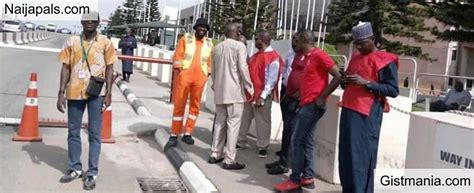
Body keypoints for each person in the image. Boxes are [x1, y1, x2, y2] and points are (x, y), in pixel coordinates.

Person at [274, 30, 342, 191]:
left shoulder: (319, 55)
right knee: (308, 142)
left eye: (297, 40)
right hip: (305, 102)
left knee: (296, 140)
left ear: (305, 40)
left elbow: (338, 76)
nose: (295, 43)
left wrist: (322, 97)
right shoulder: (307, 57)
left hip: (313, 105)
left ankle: (295, 179)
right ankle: (308, 177)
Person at [56, 11, 117, 190]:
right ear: (81, 22)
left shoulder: (105, 42)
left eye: (93, 20)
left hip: (95, 93)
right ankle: (75, 168)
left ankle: (91, 172)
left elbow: (109, 68)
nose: (89, 23)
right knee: (73, 131)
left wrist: (109, 92)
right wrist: (61, 92)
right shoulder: (71, 42)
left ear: (98, 23)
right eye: (86, 20)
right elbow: (65, 68)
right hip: (74, 91)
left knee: (94, 134)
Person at [338, 22, 399, 193]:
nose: (359, 47)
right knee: (346, 156)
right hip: (349, 109)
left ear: (372, 39)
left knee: (362, 157)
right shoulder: (356, 57)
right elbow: (351, 84)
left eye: (363, 43)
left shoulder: (386, 60)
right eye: (357, 43)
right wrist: (345, 81)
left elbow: (393, 90)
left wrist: (368, 84)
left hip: (367, 114)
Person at [208, 23, 254, 170]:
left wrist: (215, 85)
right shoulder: (239, 46)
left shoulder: (216, 48)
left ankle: (215, 154)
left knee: (219, 123)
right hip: (234, 92)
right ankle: (229, 159)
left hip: (220, 91)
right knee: (233, 125)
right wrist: (249, 85)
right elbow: (243, 67)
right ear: (238, 32)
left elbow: (213, 71)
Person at [166, 18, 213, 147]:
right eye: (200, 27)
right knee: (179, 104)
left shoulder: (209, 43)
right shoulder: (185, 39)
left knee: (195, 106)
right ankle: (174, 133)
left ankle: (188, 132)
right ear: (195, 28)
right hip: (185, 76)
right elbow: (178, 56)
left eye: (205, 27)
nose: (202, 29)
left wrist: (206, 74)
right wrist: (180, 71)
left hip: (200, 78)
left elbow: (210, 60)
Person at [237, 31, 283, 158]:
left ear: (262, 40)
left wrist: (263, 96)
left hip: (262, 96)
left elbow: (272, 80)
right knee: (244, 119)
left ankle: (263, 146)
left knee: (263, 122)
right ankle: (240, 141)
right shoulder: (256, 55)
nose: (255, 40)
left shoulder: (273, 57)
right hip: (250, 94)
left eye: (256, 38)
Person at [265, 33, 301, 175]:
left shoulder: (306, 56)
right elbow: (286, 70)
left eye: (297, 40)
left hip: (297, 96)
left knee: (292, 129)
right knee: (286, 125)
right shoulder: (290, 53)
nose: (294, 42)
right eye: (293, 39)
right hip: (287, 91)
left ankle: (286, 162)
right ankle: (283, 156)